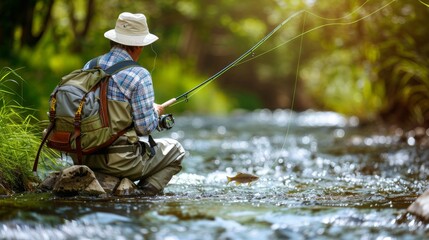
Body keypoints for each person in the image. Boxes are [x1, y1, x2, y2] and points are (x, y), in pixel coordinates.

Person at [79, 12, 185, 196]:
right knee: (176, 150)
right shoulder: (139, 74)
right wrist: (155, 113)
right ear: (137, 45)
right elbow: (144, 128)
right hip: (118, 162)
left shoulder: (90, 65)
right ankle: (139, 194)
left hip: (82, 154)